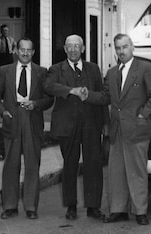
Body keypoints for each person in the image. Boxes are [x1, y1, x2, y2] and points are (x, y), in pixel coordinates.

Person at [94, 34, 151, 226]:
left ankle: (140, 211)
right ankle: (118, 210)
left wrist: (142, 114)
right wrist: (86, 95)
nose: (121, 51)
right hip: (117, 131)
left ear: (132, 47)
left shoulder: (146, 69)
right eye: (117, 48)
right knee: (116, 172)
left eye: (124, 47)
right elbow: (105, 97)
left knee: (137, 172)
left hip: (137, 130)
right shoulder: (112, 72)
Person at [43, 34, 107, 221]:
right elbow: (48, 86)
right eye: (69, 46)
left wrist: (105, 123)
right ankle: (71, 206)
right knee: (70, 165)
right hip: (67, 126)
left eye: (76, 46)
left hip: (91, 124)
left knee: (93, 165)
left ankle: (93, 206)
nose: (73, 50)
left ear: (83, 48)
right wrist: (71, 90)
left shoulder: (93, 69)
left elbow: (103, 95)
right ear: (64, 49)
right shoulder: (56, 69)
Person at [0, 38, 53, 220]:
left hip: (32, 118)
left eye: (29, 50)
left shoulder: (42, 72)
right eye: (22, 50)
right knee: (11, 163)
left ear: (33, 52)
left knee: (32, 164)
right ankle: (10, 206)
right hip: (12, 117)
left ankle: (31, 206)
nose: (25, 53)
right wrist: (3, 112)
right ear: (16, 51)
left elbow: (50, 99)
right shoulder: (5, 71)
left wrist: (36, 104)